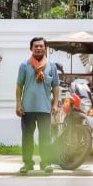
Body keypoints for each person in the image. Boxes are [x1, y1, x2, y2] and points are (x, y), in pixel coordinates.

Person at [16, 37, 59, 174]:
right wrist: (18, 104)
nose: (39, 48)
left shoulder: (52, 66)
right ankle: (27, 164)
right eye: (36, 46)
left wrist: (56, 104)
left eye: (41, 46)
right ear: (31, 49)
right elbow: (19, 86)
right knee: (27, 137)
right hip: (27, 108)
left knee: (45, 137)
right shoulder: (24, 65)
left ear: (45, 48)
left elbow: (56, 87)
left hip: (45, 108)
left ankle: (45, 163)